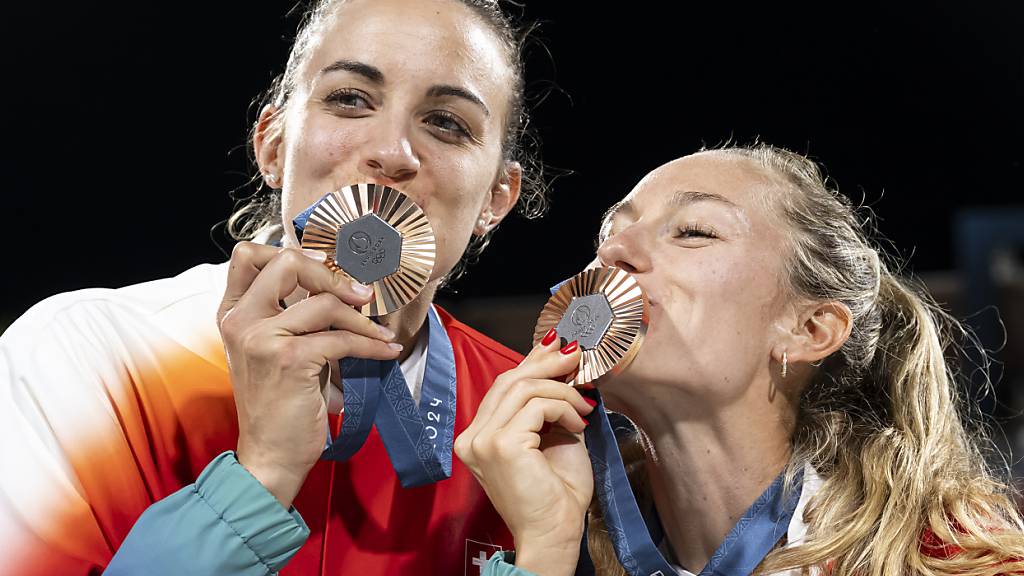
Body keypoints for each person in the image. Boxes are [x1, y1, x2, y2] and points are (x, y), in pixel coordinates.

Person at [0, 1, 549, 574]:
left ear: (496, 197)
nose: (392, 152)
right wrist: (262, 475)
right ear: (273, 145)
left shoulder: (523, 423)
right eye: (350, 99)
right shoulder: (85, 362)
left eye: (447, 123)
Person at [456, 144, 1024, 575]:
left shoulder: (960, 561)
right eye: (610, 232)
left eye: (694, 231)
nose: (612, 254)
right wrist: (547, 544)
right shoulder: (542, 537)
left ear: (808, 330)